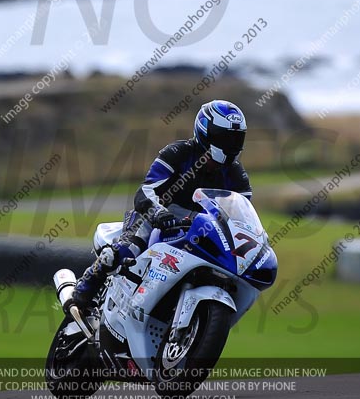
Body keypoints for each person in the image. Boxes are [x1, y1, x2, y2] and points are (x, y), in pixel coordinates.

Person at [71, 100, 252, 309]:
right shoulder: (178, 153)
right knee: (124, 250)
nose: (232, 145)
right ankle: (86, 286)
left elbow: (242, 214)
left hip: (199, 231)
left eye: (237, 139)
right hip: (156, 218)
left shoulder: (237, 175)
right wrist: (159, 213)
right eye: (225, 138)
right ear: (206, 132)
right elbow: (145, 191)